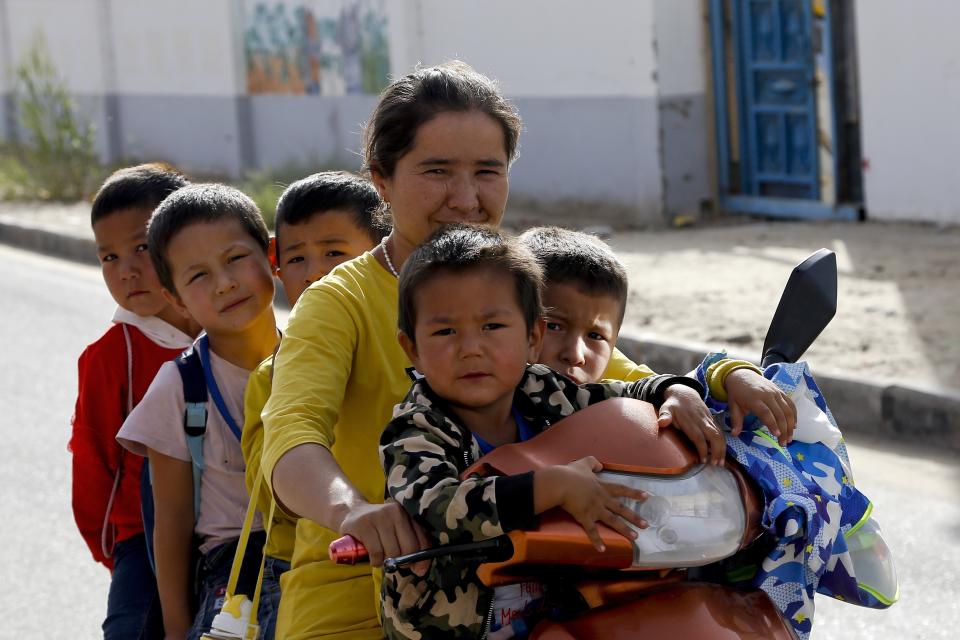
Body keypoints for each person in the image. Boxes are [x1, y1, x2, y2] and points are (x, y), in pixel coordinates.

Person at [261, 61, 724, 639]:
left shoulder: (514, 278)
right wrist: (353, 512)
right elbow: (291, 434)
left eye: (487, 171)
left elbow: (614, 376)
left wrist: (712, 382)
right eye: (436, 171)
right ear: (381, 177)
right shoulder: (340, 301)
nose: (465, 198)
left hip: (531, 594)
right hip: (362, 597)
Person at [379, 224, 712, 638]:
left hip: (548, 617)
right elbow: (440, 508)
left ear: (532, 336)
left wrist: (673, 391)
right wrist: (549, 486)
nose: (471, 348)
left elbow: (617, 396)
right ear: (412, 348)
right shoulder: (415, 429)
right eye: (446, 331)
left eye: (492, 327)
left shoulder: (544, 390)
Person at [117, 184, 280, 640]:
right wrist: (174, 627)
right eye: (198, 276)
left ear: (270, 255)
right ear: (175, 300)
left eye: (234, 259)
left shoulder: (317, 359)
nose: (225, 282)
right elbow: (170, 522)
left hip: (318, 554)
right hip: (234, 573)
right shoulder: (180, 386)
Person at [240, 171, 388, 638]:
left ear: (378, 252)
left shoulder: (420, 333)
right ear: (275, 264)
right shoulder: (271, 375)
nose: (315, 272)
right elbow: (268, 496)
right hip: (311, 570)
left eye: (334, 253)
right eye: (297, 257)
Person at [69, 163, 198, 640]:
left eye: (142, 247)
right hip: (144, 542)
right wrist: (117, 552)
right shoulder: (110, 355)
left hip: (238, 530)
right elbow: (93, 466)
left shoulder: (233, 330)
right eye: (108, 257)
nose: (126, 270)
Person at [520, 226, 797, 443]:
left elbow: (668, 385)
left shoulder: (611, 373)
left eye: (595, 336)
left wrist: (733, 375)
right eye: (554, 326)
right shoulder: (488, 390)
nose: (575, 354)